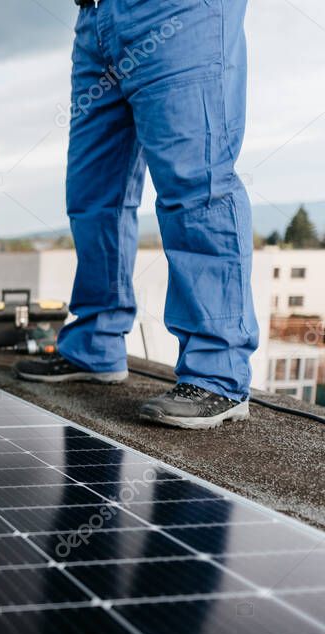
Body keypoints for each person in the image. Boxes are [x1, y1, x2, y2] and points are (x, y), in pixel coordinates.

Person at [14, 0, 258, 430]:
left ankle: (218, 373)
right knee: (93, 195)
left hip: (177, 12)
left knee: (196, 186)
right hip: (96, 20)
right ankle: (95, 343)